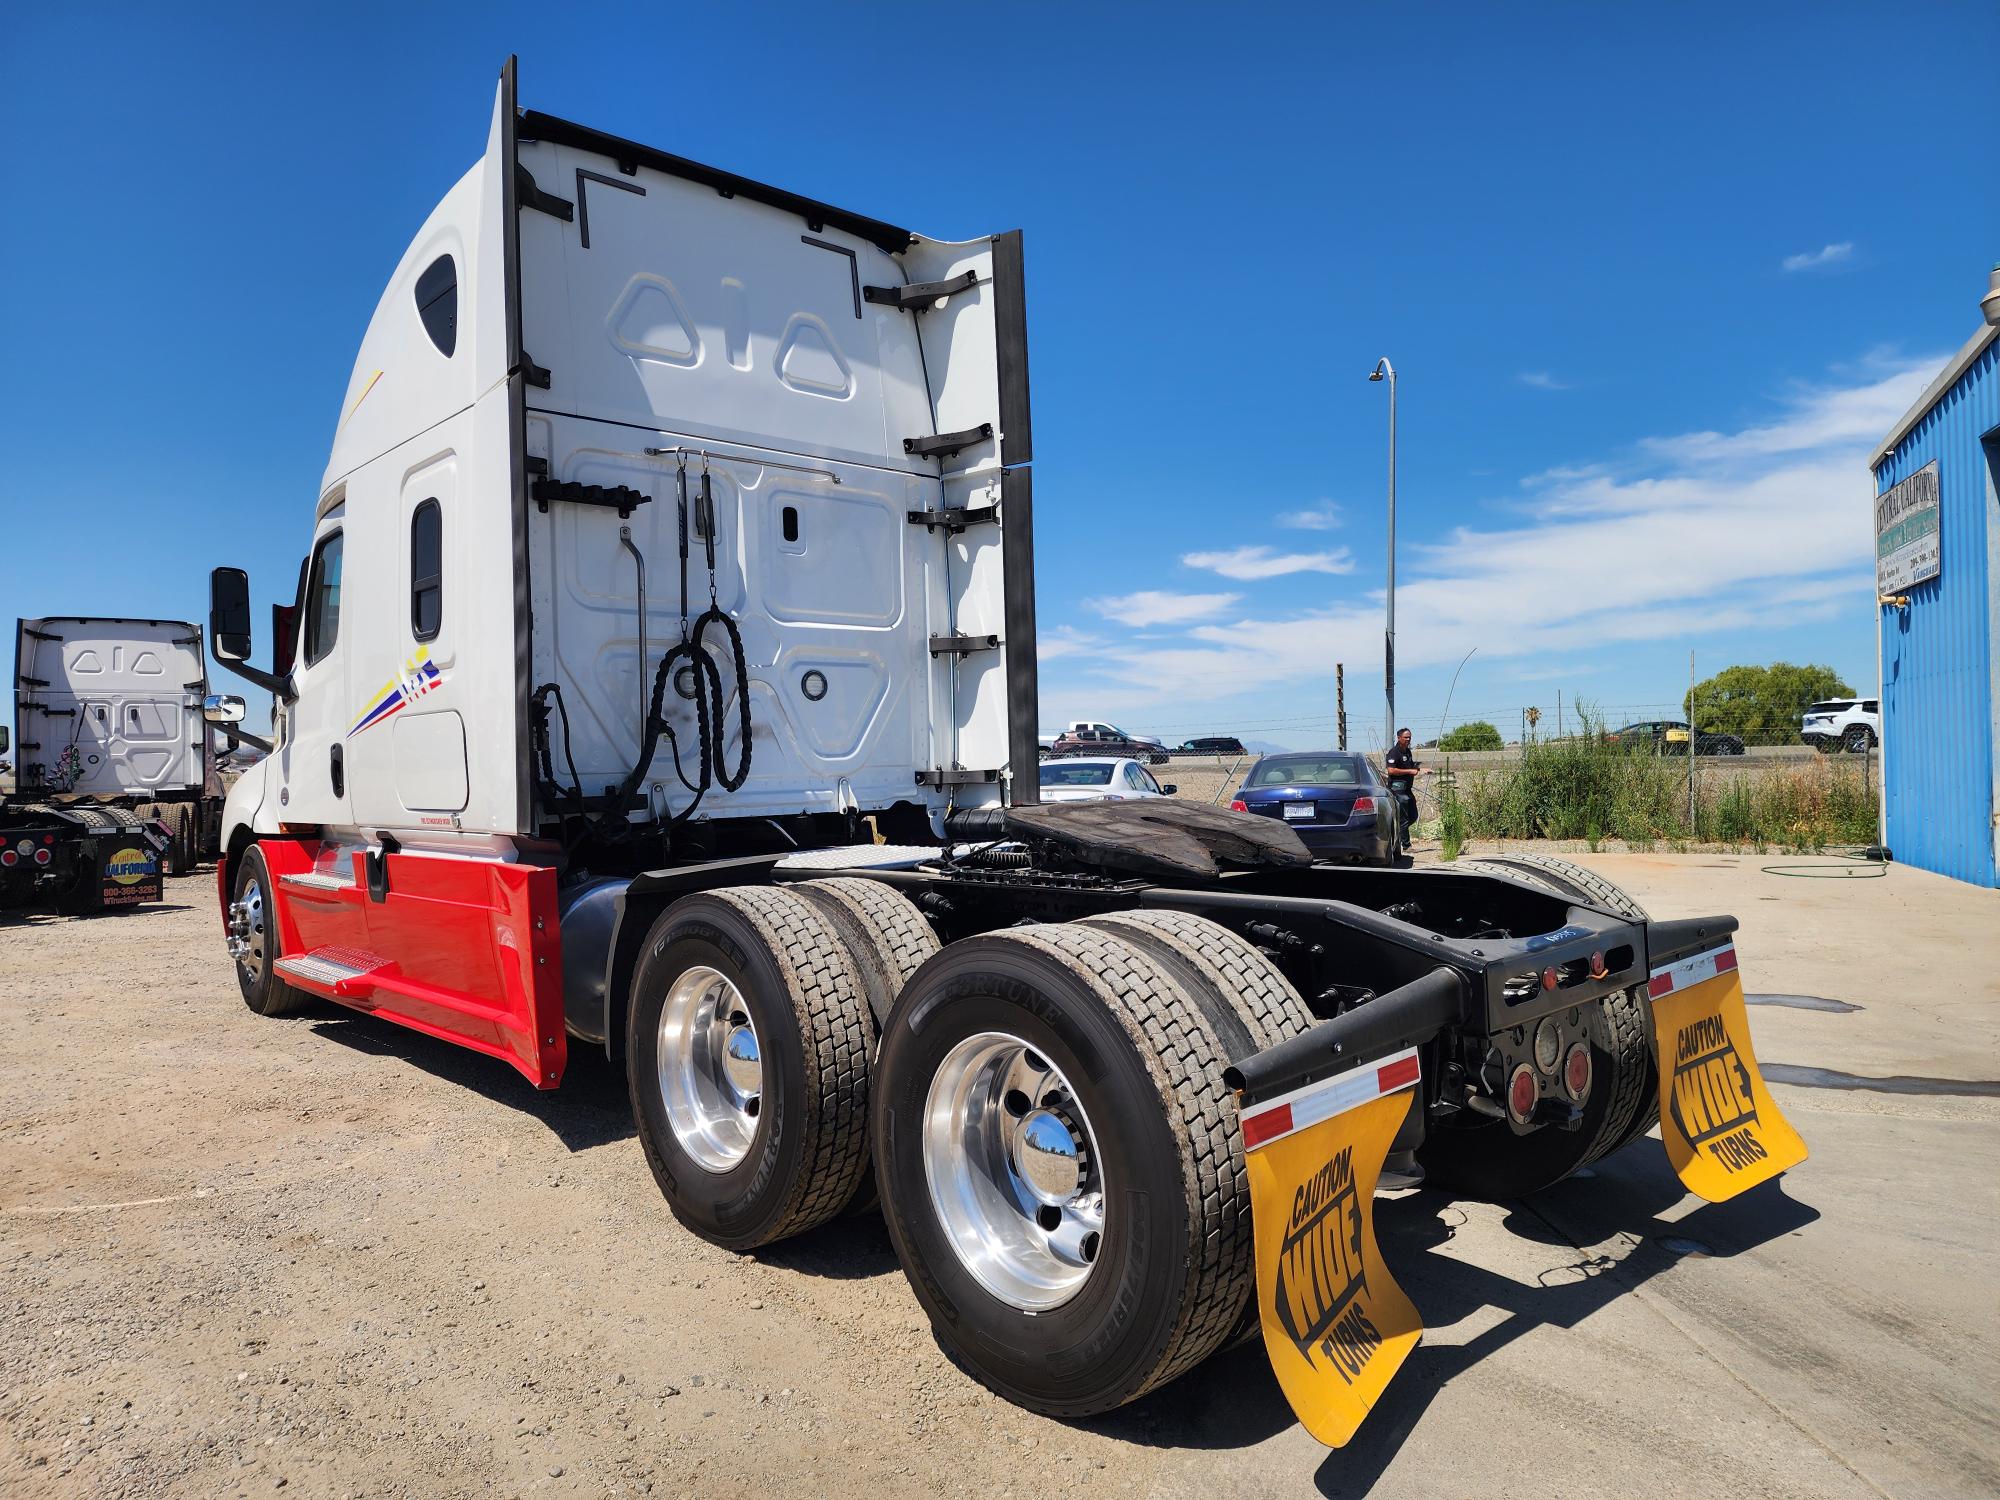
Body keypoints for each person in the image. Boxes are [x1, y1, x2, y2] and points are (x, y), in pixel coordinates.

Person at [1383, 727, 1424, 850]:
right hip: (1398, 789)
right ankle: (1406, 845)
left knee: (1413, 815)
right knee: (1404, 817)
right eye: (1405, 737)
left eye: (1409, 737)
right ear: (1399, 738)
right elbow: (1391, 770)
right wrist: (1410, 770)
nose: (1408, 739)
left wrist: (1418, 769)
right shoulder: (1394, 752)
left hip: (1407, 789)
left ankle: (1398, 833)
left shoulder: (1408, 752)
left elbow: (1411, 767)